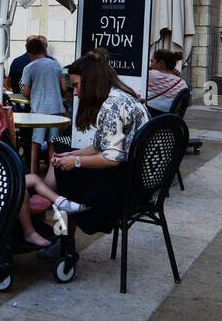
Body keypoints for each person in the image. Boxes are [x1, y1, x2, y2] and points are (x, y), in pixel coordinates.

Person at [47, 56, 149, 237]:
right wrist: (72, 154)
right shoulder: (120, 97)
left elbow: (111, 158)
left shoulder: (111, 107)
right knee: (61, 160)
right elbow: (101, 146)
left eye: (77, 85)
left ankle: (63, 241)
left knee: (62, 175)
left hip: (127, 187)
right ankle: (59, 234)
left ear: (91, 82)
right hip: (139, 180)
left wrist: (76, 161)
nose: (76, 92)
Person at [21, 37, 66, 174]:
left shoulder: (29, 67)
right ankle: (51, 174)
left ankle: (34, 173)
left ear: (29, 54)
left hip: (39, 110)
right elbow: (64, 88)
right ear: (44, 50)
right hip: (57, 109)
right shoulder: (56, 64)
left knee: (36, 143)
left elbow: (26, 91)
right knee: (53, 143)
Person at [145, 48, 188, 113]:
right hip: (168, 119)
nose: (150, 64)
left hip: (149, 116)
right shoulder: (183, 84)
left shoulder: (151, 75)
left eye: (152, 61)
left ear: (161, 64)